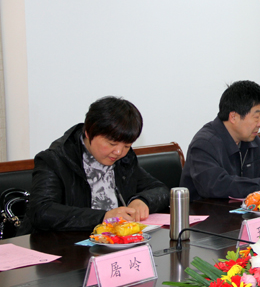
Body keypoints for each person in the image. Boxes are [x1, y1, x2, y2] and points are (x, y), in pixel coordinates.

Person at [28, 97, 169, 232]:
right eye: (112, 144)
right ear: (88, 133)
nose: (119, 152)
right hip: (63, 243)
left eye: (127, 146)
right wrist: (103, 217)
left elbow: (160, 189)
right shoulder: (55, 159)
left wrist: (142, 201)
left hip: (113, 242)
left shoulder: (124, 160)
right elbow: (41, 211)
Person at [180, 81, 260, 200]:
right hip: (205, 210)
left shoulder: (251, 140)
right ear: (233, 117)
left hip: (241, 210)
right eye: (256, 117)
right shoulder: (204, 144)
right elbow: (217, 185)